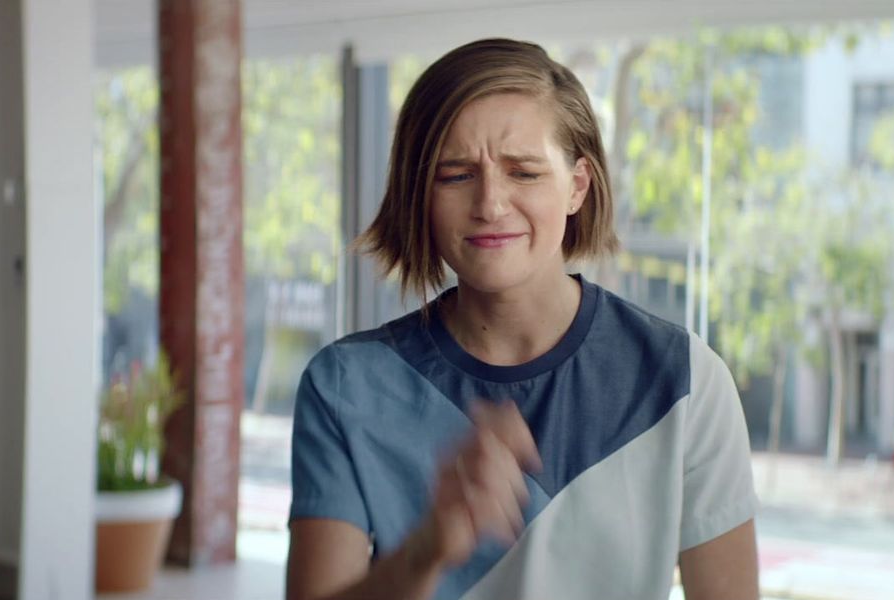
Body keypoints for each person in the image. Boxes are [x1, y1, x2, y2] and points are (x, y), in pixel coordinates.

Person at [285, 39, 759, 600]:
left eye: (524, 172)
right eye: (455, 174)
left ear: (577, 186)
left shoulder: (685, 382)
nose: (490, 203)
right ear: (420, 196)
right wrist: (426, 550)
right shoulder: (344, 387)